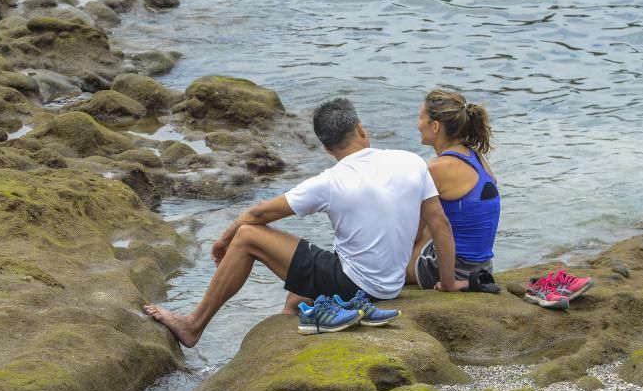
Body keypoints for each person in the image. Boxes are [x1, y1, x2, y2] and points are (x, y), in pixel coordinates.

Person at [144, 97, 461, 347]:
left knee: (248, 237)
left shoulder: (329, 181)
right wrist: (447, 284)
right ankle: (291, 317)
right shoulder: (410, 162)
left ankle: (193, 325)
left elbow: (257, 216)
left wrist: (225, 239)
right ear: (361, 130)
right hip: (390, 282)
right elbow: (440, 225)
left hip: (355, 285)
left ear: (325, 148)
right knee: (314, 263)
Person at [407, 89, 501, 291]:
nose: (417, 124)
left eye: (420, 117)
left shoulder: (436, 169)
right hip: (483, 268)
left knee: (418, 225)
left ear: (435, 126)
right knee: (435, 215)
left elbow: (414, 233)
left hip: (455, 270)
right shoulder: (476, 157)